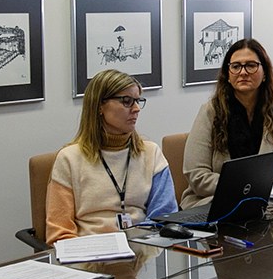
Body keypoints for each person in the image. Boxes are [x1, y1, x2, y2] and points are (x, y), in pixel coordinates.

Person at [46, 69, 178, 245]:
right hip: (90, 256)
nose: (136, 109)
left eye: (138, 101)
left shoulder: (151, 153)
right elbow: (60, 233)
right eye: (126, 101)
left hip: (142, 252)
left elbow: (164, 218)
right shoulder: (69, 159)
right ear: (100, 105)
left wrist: (137, 247)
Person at [181, 38, 273, 209]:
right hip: (215, 205)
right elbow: (197, 176)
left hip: (270, 208)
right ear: (228, 75)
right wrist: (248, 188)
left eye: (251, 65)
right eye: (236, 66)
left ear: (265, 73)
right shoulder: (210, 113)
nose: (243, 72)